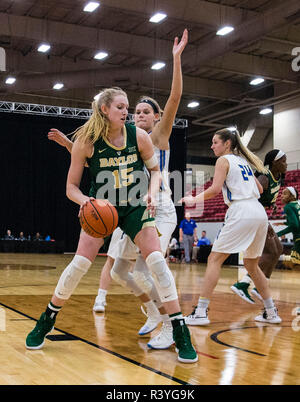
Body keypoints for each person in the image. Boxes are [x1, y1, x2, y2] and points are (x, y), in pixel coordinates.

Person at [26, 86, 197, 363]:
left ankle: (179, 330)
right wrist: (85, 201)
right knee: (80, 264)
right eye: (120, 107)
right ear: (104, 109)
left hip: (135, 206)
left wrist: (152, 191)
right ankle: (48, 318)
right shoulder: (86, 140)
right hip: (102, 207)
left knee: (156, 260)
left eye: (127, 107)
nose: (126, 111)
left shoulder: (138, 136)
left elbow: (154, 170)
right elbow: (71, 187)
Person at [48, 29, 188, 351]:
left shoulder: (158, 135)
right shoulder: (121, 137)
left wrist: (176, 60)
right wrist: (70, 145)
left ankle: (170, 324)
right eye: (134, 111)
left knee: (148, 267)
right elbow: (98, 161)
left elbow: (175, 98)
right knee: (123, 271)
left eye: (144, 112)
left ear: (156, 118)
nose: (137, 116)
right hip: (127, 202)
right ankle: (154, 311)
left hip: (159, 204)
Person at [180, 128, 281, 325]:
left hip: (241, 210)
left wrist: (194, 198)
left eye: (215, 142)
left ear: (227, 144)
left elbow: (215, 189)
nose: (211, 146)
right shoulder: (244, 161)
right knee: (251, 264)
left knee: (214, 259)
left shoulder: (223, 160)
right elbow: (260, 189)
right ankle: (271, 311)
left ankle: (201, 312)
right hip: (259, 212)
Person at [231, 149, 287, 303]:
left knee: (278, 250)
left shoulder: (278, 177)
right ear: (274, 163)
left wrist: (272, 204)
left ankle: (259, 287)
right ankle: (243, 284)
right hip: (253, 215)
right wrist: (265, 221)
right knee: (271, 252)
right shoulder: (264, 177)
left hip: (260, 216)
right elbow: (252, 197)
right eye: (283, 161)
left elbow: (267, 196)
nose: (286, 164)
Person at [275, 186, 300, 268]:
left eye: (285, 194)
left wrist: (277, 234)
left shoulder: (288, 207)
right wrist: (283, 223)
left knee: (294, 261)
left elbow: (294, 225)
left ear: (292, 196)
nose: (282, 196)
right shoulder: (297, 204)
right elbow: (296, 221)